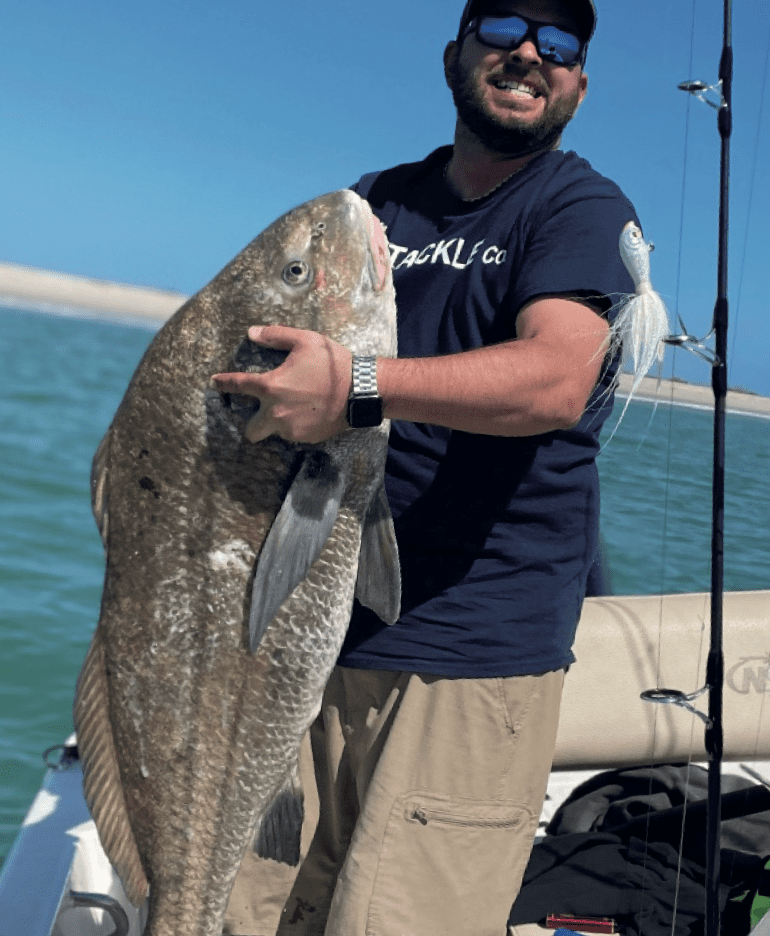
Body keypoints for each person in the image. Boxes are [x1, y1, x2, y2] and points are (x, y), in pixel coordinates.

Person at [213, 1, 638, 933]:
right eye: (505, 30)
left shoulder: (578, 207)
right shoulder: (374, 202)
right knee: (246, 912)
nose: (530, 54)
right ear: (456, 53)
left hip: (469, 659)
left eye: (560, 46)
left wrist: (356, 383)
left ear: (577, 83)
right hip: (309, 636)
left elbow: (558, 379)